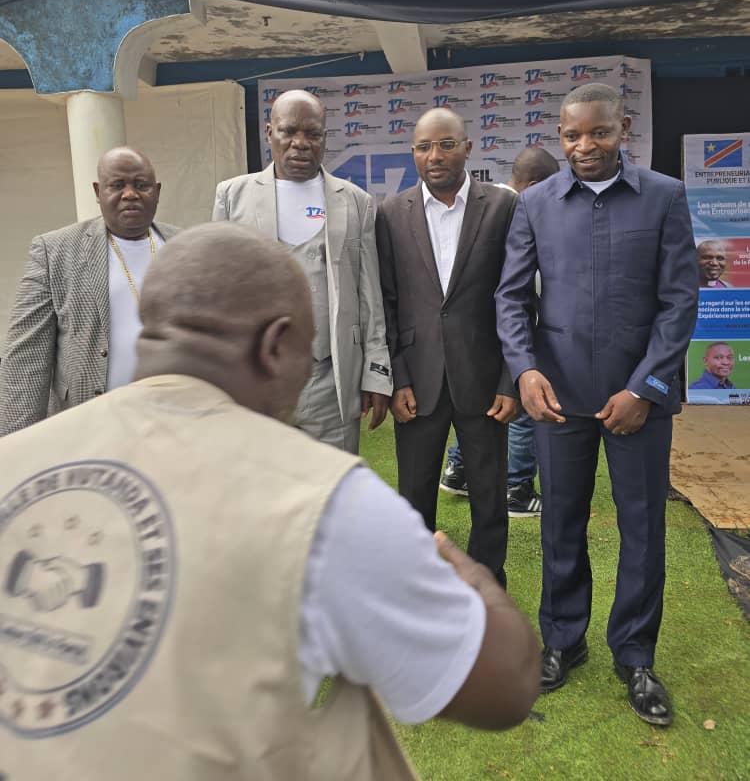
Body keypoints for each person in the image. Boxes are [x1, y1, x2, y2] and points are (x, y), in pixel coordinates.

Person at [1, 223, 540, 780]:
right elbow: (502, 687)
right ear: (275, 345)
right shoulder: (321, 498)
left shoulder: (15, 458)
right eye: (308, 351)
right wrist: (477, 586)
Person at [495, 83, 699, 727]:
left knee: (643, 528)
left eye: (599, 132)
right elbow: (511, 298)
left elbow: (680, 301)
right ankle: (563, 640)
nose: (585, 145)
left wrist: (645, 389)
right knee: (560, 523)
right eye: (572, 135)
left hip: (638, 401)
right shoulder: (535, 204)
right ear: (560, 137)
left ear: (623, 130)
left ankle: (635, 656)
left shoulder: (664, 196)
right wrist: (525, 370)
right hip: (558, 398)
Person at [376, 108, 520, 587]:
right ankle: (419, 589)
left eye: (446, 144)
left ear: (468, 148)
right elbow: (387, 302)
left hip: (484, 380)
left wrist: (510, 380)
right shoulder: (391, 213)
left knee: (489, 495)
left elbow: (518, 297)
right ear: (413, 153)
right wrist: (397, 377)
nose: (434, 156)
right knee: (414, 495)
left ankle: (487, 586)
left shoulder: (501, 207)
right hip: (417, 382)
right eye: (423, 147)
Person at [213, 89, 391, 453]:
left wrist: (376, 373)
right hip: (259, 378)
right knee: (264, 478)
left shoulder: (355, 202)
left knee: (332, 481)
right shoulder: (232, 196)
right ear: (269, 133)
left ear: (325, 137)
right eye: (289, 131)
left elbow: (370, 295)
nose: (300, 143)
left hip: (330, 379)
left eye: (312, 133)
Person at [0, 146, 178, 436]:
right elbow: (27, 357)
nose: (130, 194)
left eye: (141, 185)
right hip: (89, 427)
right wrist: (14, 444)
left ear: (157, 191)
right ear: (98, 191)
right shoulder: (55, 251)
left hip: (172, 421)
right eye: (117, 185)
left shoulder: (185, 245)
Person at [440, 146, 560, 517]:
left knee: (481, 401)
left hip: (477, 330)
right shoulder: (515, 209)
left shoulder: (485, 203)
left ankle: (458, 469)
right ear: (535, 185)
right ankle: (516, 488)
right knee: (521, 405)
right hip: (507, 327)